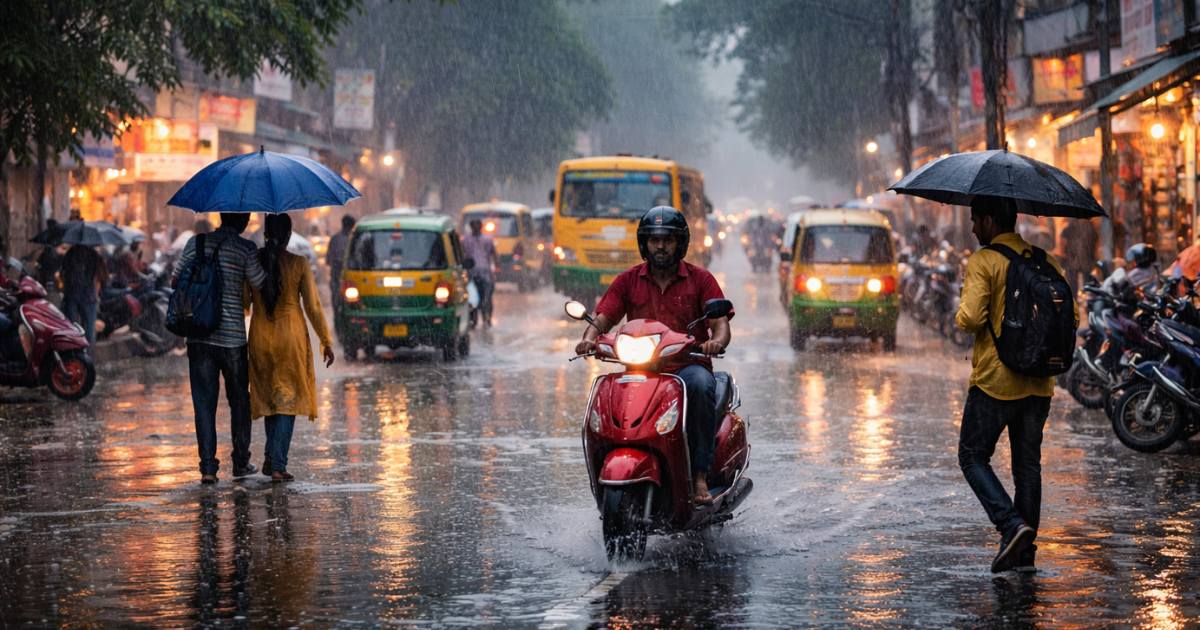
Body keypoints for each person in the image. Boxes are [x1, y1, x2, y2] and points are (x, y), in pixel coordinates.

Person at [574, 206, 733, 504]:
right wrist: (588, 340)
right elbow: (602, 318)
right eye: (654, 240)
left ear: (680, 243)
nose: (660, 246)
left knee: (700, 385)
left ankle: (699, 475)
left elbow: (720, 325)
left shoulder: (701, 279)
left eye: (668, 240)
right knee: (607, 391)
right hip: (641, 367)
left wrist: (716, 343)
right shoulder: (627, 280)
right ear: (644, 243)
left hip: (687, 366)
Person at [954, 195, 1076, 574]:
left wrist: (964, 307)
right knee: (1028, 469)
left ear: (990, 221)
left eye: (975, 220)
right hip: (1039, 382)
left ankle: (1010, 525)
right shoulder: (1046, 261)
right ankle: (1024, 556)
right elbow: (1070, 317)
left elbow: (971, 319)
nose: (973, 228)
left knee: (972, 456)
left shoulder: (984, 260)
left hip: (996, 381)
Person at [172, 213, 266, 485]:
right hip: (232, 339)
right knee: (239, 402)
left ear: (221, 216)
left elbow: (175, 281)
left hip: (199, 334)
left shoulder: (196, 243)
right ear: (243, 221)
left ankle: (208, 469)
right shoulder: (245, 248)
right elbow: (260, 284)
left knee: (204, 404)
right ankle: (240, 461)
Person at [244, 214, 335, 482]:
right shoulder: (299, 263)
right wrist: (326, 341)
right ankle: (278, 465)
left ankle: (271, 453)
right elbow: (313, 307)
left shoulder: (254, 263)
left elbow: (245, 302)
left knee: (270, 397)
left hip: (260, 336)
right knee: (287, 399)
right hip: (290, 337)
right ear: (288, 235)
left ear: (265, 235)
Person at [60, 244, 109, 347]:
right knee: (89, 330)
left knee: (70, 328)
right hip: (88, 296)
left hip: (71, 295)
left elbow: (62, 274)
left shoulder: (70, 253)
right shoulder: (94, 254)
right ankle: (86, 353)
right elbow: (102, 276)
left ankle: (72, 353)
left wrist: (70, 285)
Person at [461, 218, 499, 328]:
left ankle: (485, 319)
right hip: (474, 273)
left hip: (482, 272)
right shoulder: (465, 240)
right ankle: (477, 319)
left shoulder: (486, 239)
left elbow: (494, 254)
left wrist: (497, 267)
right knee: (476, 297)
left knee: (484, 297)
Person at [1059, 218, 1098, 296]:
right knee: (1087, 284)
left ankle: (1075, 299)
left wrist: (1065, 251)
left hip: (1074, 261)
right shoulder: (1089, 227)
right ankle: (1087, 299)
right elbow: (1095, 240)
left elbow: (1062, 241)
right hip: (1084, 260)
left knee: (1074, 285)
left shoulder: (1071, 227)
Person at [326, 214, 355, 312]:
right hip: (351, 275)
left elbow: (328, 260)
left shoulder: (335, 239)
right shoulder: (354, 240)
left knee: (336, 301)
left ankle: (337, 317)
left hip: (336, 274)